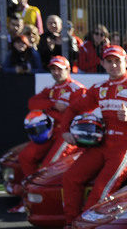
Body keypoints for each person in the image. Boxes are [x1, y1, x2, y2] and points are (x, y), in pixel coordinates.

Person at [57, 45, 127, 229]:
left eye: (117, 61)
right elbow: (74, 107)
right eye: (109, 61)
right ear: (103, 64)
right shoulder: (100, 87)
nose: (113, 65)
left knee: (101, 189)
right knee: (71, 177)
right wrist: (65, 130)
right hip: (102, 144)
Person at [12, 56, 86, 211]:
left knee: (47, 168)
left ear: (68, 69)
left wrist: (58, 111)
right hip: (50, 132)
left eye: (59, 69)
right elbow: (32, 103)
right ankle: (29, 197)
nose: (56, 72)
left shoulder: (77, 89)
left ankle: (42, 203)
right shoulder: (52, 89)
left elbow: (82, 113)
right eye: (53, 69)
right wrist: (53, 104)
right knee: (25, 156)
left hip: (68, 134)